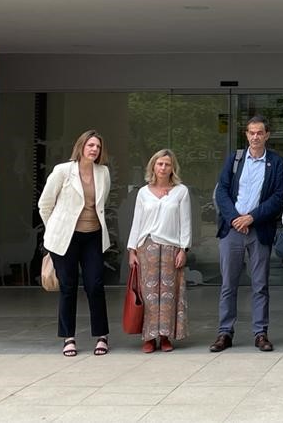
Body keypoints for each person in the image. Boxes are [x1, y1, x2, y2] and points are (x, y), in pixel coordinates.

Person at [210, 116, 283, 353]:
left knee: (260, 284)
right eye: (251, 132)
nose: (255, 137)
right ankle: (225, 332)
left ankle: (260, 333)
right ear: (246, 134)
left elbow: (277, 197)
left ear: (267, 135)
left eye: (260, 133)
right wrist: (235, 217)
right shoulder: (234, 159)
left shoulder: (276, 162)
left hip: (259, 229)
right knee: (228, 284)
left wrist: (251, 217)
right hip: (232, 229)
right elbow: (222, 190)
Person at [37, 129, 112, 357]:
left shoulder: (103, 172)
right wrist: (55, 231)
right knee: (68, 287)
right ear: (81, 146)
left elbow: (100, 206)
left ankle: (102, 336)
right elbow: (45, 204)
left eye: (97, 147)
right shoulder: (63, 171)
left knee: (95, 285)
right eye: (90, 145)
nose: (94, 150)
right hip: (65, 238)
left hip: (93, 235)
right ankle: (68, 337)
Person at [126, 149, 192, 353]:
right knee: (148, 293)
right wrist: (132, 250)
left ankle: (165, 336)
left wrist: (184, 249)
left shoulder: (181, 191)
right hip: (147, 246)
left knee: (169, 294)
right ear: (153, 166)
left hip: (172, 247)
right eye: (160, 164)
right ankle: (148, 336)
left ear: (173, 168)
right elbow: (137, 221)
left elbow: (186, 222)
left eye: (167, 164)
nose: (163, 168)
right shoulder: (143, 192)